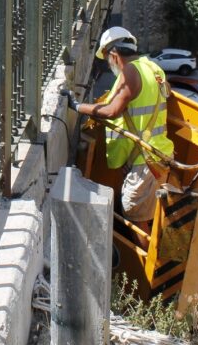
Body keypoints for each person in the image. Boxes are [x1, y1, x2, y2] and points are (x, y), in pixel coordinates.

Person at [62, 26, 175, 238]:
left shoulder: (130, 71)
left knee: (136, 216)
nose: (109, 64)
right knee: (144, 214)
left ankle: (150, 268)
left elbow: (112, 111)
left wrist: (77, 106)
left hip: (147, 159)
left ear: (114, 54)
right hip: (158, 153)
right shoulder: (153, 68)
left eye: (107, 59)